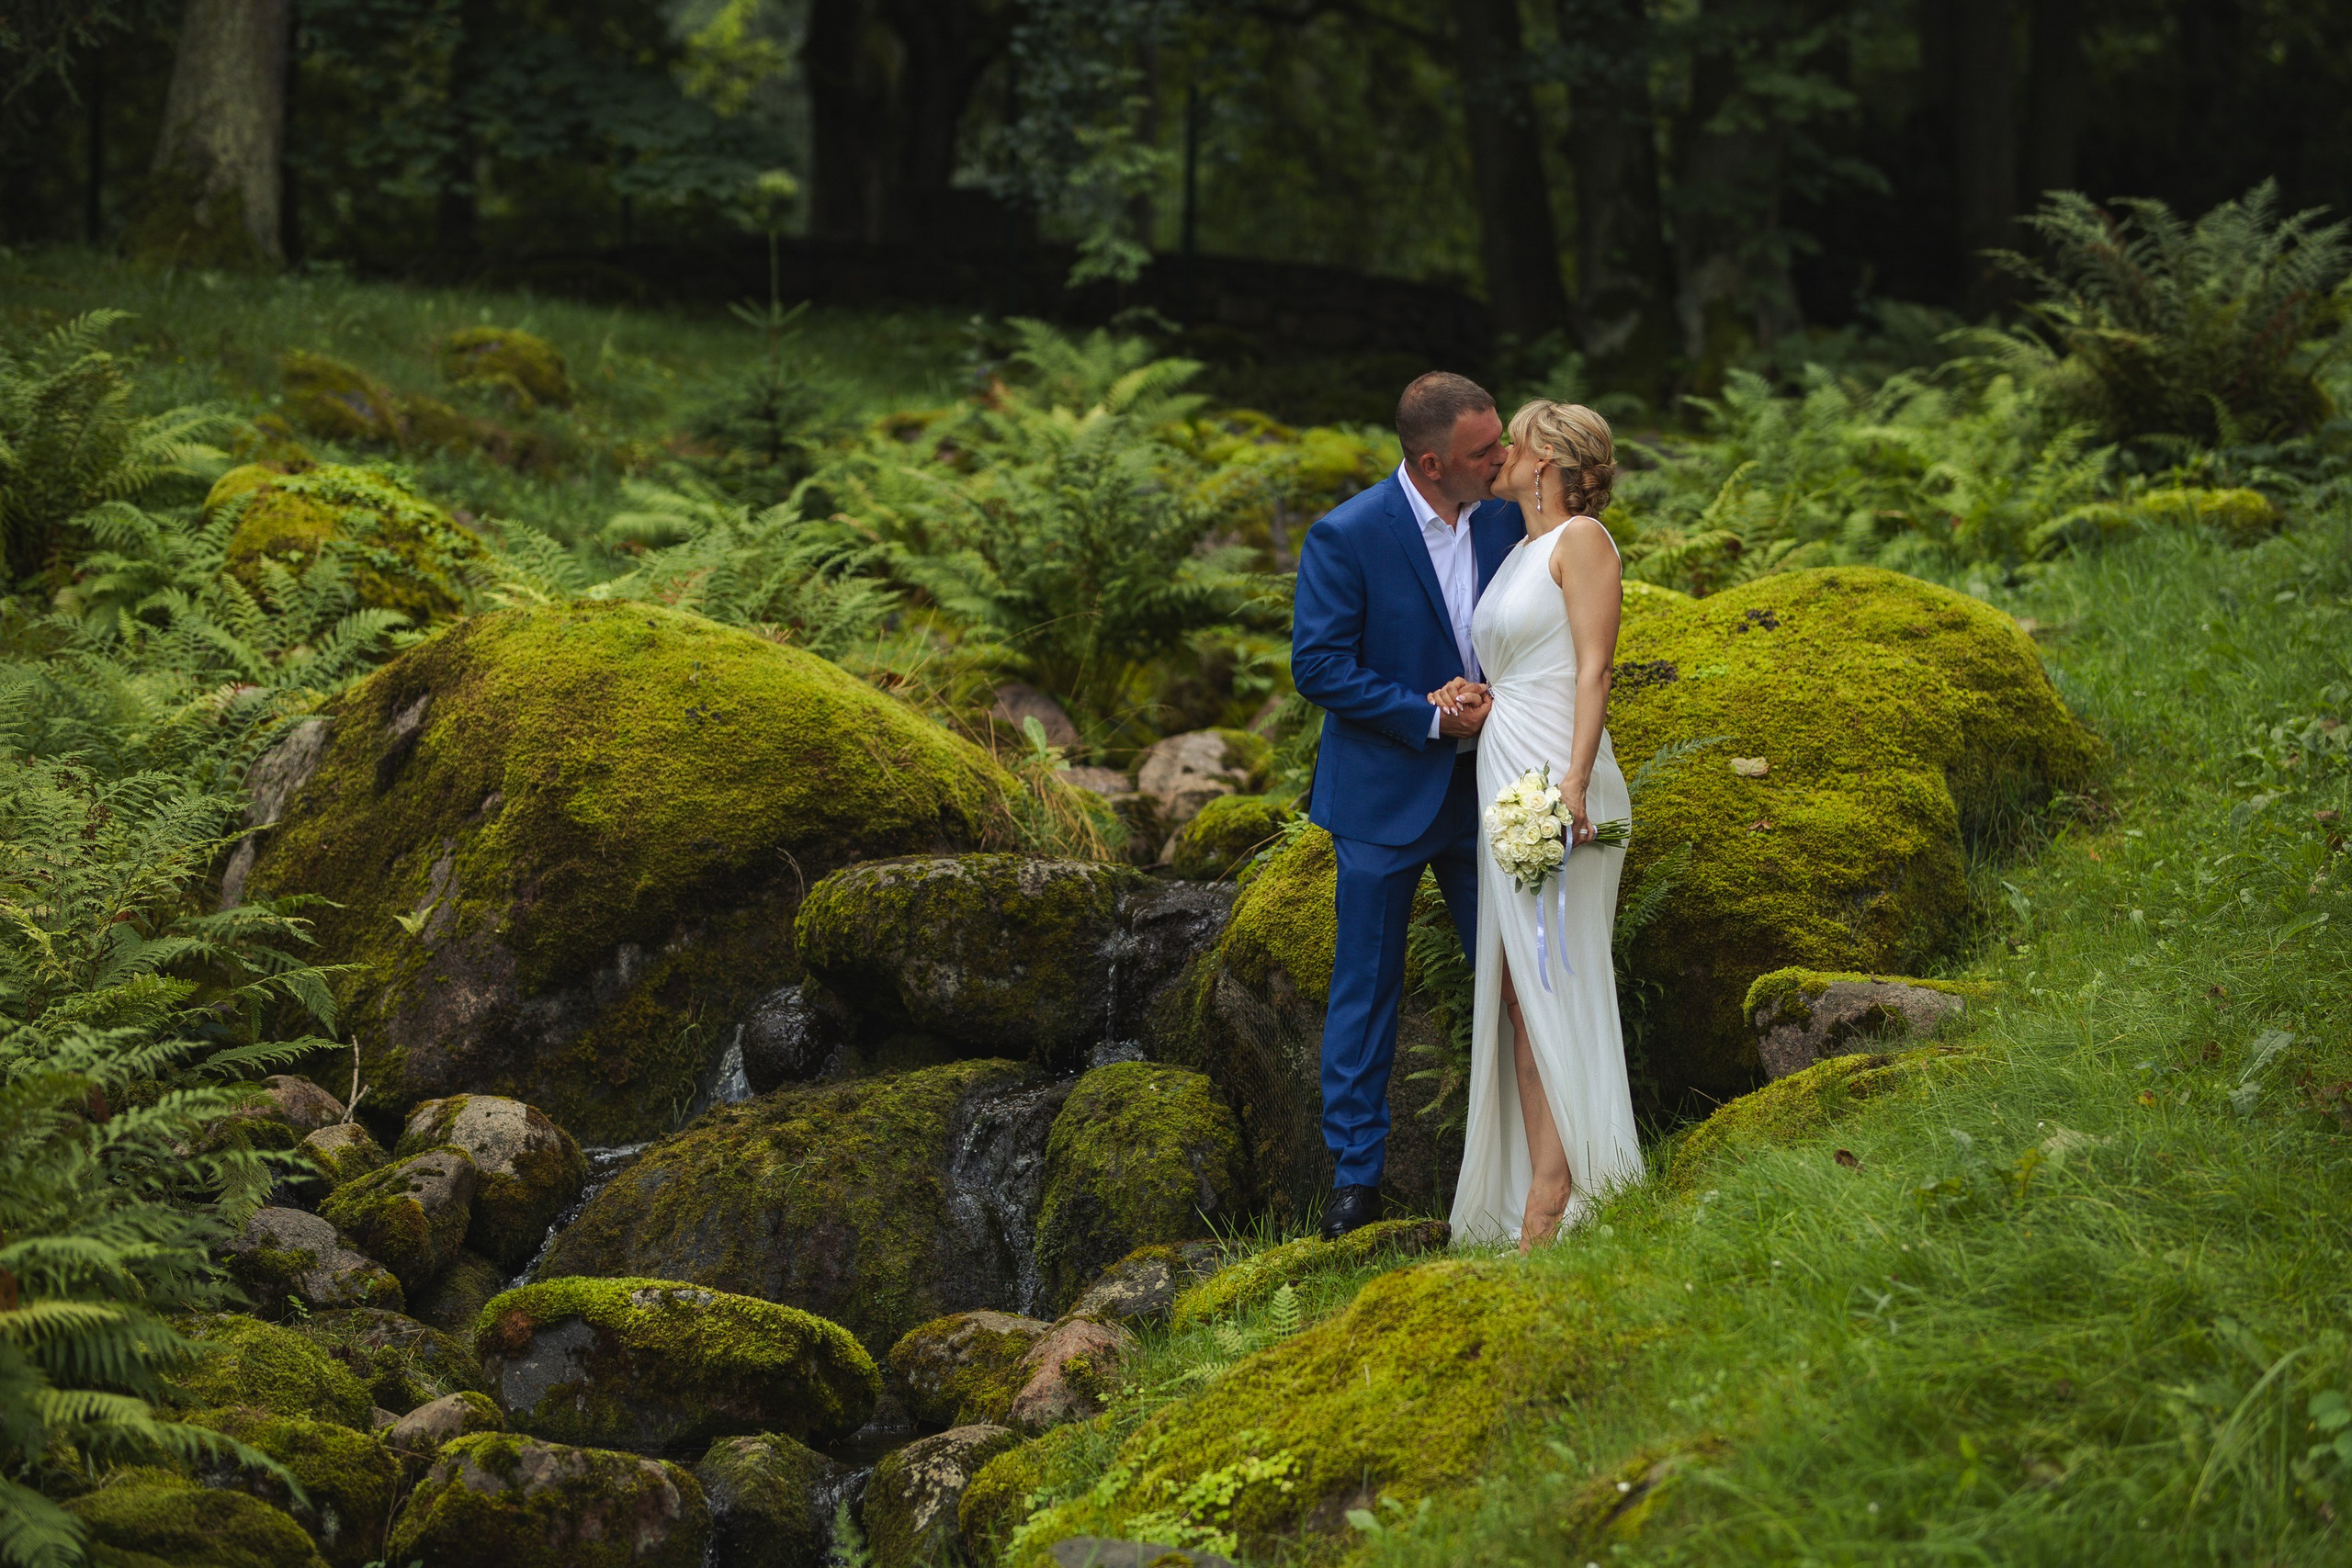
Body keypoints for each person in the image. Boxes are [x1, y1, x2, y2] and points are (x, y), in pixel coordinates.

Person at [1290, 371, 1521, 1240]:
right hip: (1383, 796)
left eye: (1499, 440)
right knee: (1366, 991)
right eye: (1483, 450)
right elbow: (1317, 666)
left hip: (1491, 792)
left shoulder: (1508, 516)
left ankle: (1530, 1160)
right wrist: (1425, 711)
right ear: (1432, 463)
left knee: (1513, 974)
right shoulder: (1346, 535)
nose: (1503, 459)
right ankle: (1356, 1180)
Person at [1444, 400, 1645, 1251]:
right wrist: (1469, 695)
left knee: (1554, 981)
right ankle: (1544, 1186)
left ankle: (1557, 1198)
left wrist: (1571, 784)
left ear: (1551, 459)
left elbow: (1594, 669)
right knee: (1523, 997)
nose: (1499, 456)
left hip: (1561, 781)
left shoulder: (1583, 543)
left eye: (1514, 443)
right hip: (1504, 765)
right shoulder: (1521, 550)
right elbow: (1518, 662)